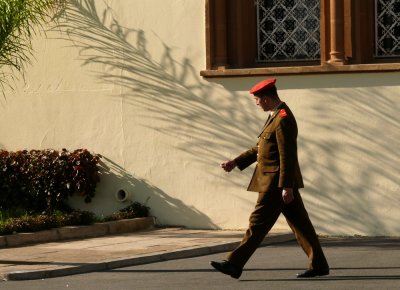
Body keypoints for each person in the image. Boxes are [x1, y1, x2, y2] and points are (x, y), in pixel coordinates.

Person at [210, 78, 329, 279]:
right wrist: (236, 162)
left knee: (257, 224)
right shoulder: (275, 116)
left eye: (257, 99)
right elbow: (261, 148)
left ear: (265, 98)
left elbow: (287, 156)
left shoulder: (283, 119)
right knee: (301, 225)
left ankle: (233, 263)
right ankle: (319, 265)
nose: (256, 103)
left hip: (275, 184)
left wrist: (286, 187)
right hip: (277, 183)